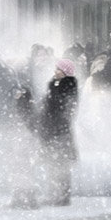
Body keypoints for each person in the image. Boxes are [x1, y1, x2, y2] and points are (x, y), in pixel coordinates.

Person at [36, 59, 79, 205]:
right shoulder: (55, 84)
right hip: (52, 129)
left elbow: (60, 105)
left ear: (66, 71)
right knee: (52, 163)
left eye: (58, 69)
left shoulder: (68, 86)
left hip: (59, 130)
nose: (55, 72)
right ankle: (55, 194)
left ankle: (62, 196)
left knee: (60, 164)